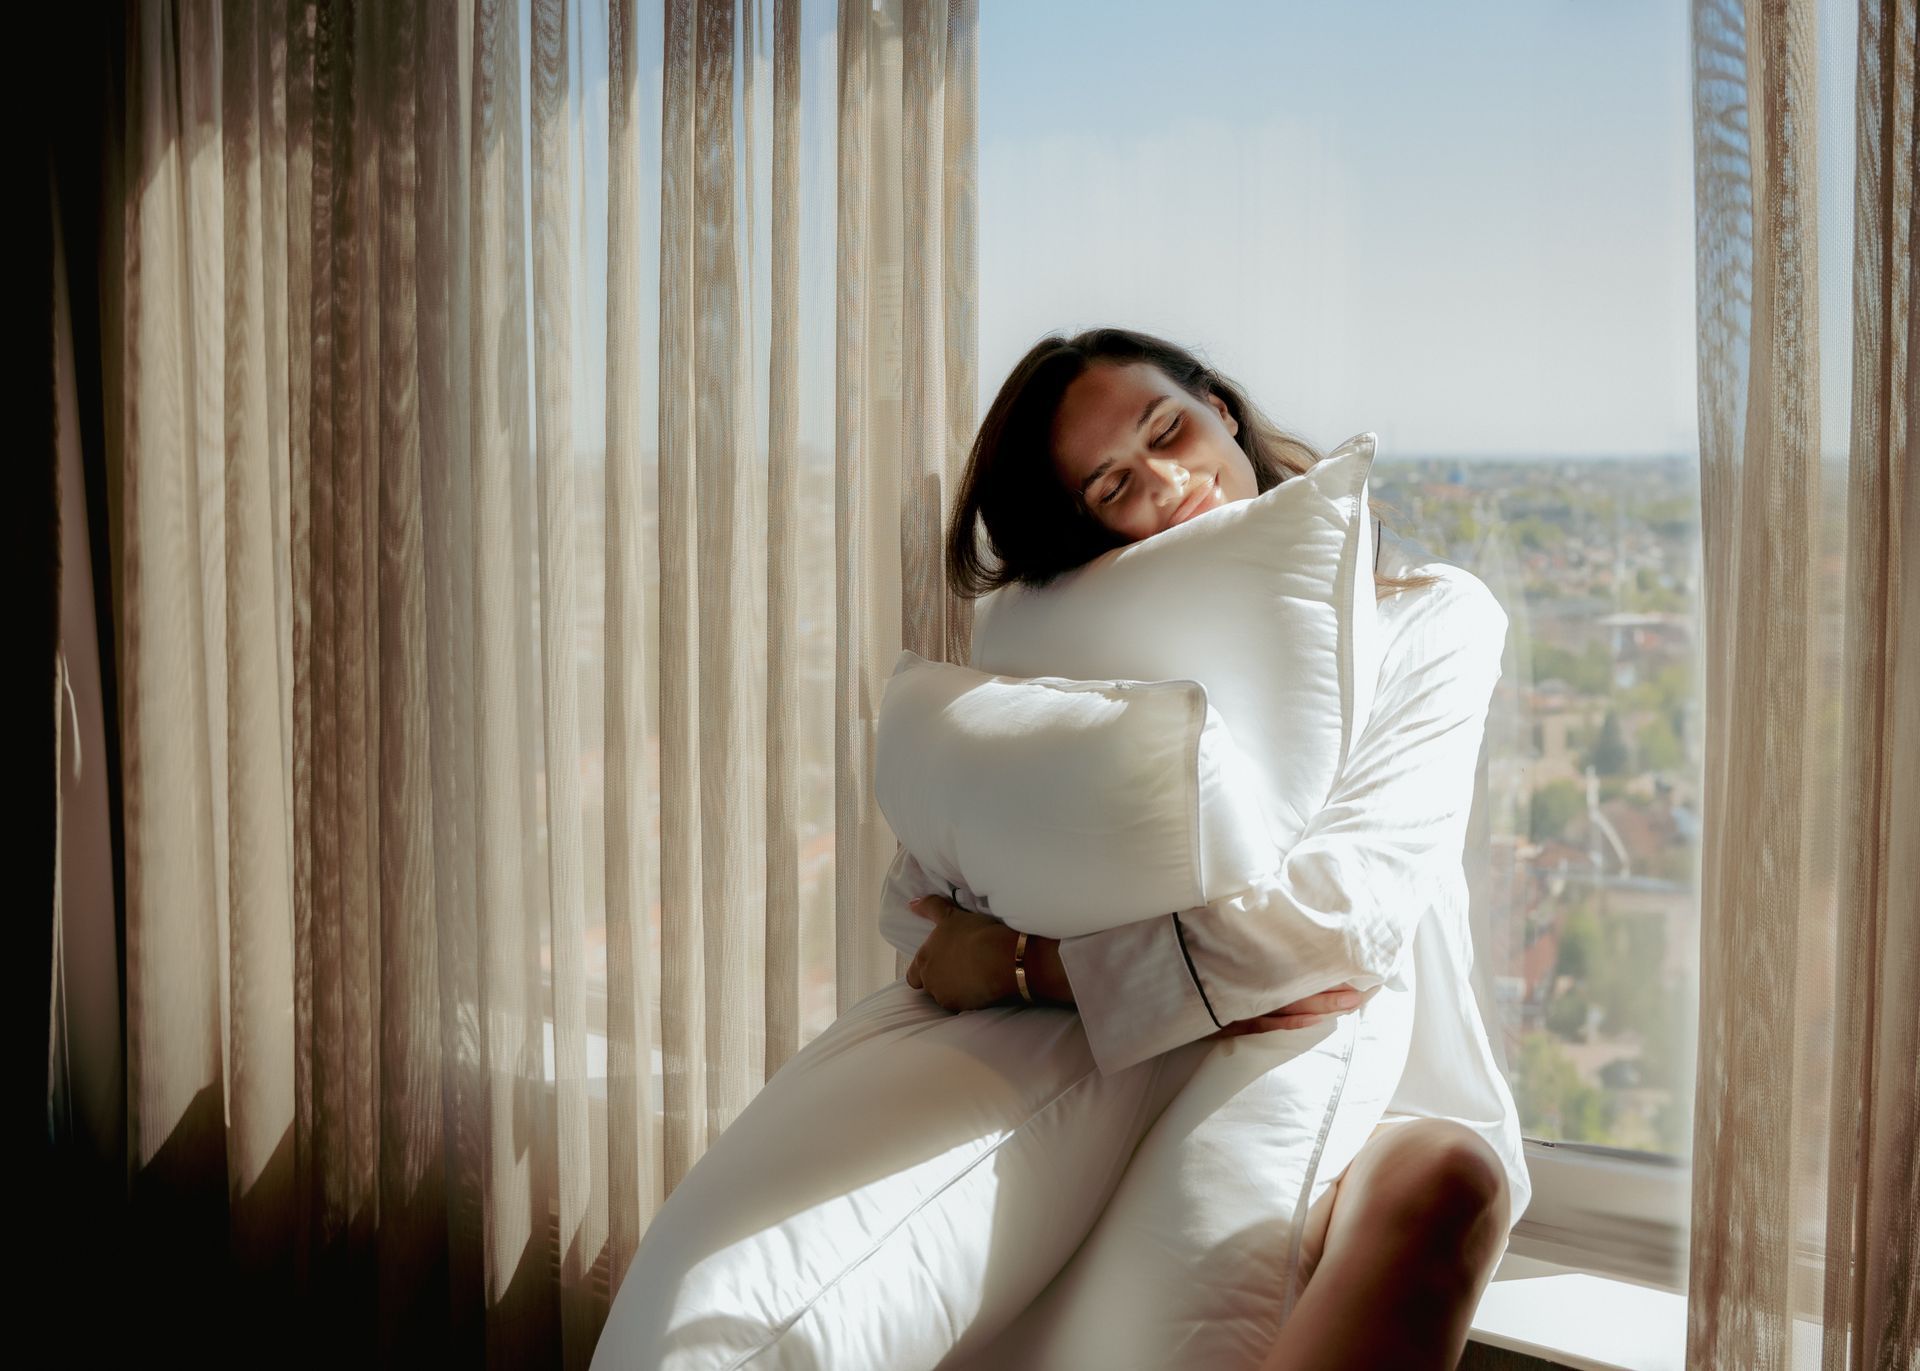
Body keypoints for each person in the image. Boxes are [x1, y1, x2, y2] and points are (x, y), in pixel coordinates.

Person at [894, 326, 1529, 1369]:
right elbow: (922, 908)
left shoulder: (1433, 621)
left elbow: (1335, 924)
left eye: (1168, 429)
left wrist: (1027, 966)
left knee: (1445, 1183)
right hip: (1110, 1079)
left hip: (1379, 1076)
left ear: (1219, 408)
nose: (1169, 479)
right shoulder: (1098, 659)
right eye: (1112, 486)